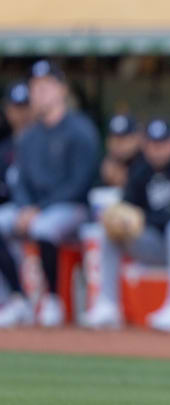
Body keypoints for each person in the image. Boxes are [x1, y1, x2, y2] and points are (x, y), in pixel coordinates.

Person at [81, 118, 170, 332]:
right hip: (161, 246)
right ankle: (107, 306)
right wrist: (121, 219)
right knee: (108, 232)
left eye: (162, 144)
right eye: (152, 144)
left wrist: (143, 219)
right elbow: (128, 206)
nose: (157, 150)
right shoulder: (141, 169)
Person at [0, 61, 100, 327]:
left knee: (44, 226)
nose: (40, 92)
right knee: (3, 220)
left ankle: (53, 301)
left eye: (46, 86)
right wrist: (23, 208)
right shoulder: (29, 137)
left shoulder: (80, 130)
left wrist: (38, 209)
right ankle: (15, 300)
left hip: (72, 209)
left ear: (62, 90)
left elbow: (79, 184)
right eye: (35, 87)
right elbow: (19, 182)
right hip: (34, 209)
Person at [0, 81, 34, 327]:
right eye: (16, 107)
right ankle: (13, 300)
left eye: (25, 107)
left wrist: (31, 208)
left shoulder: (44, 142)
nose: (21, 114)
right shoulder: (5, 148)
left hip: (39, 211)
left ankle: (18, 298)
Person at [100, 113, 143, 188]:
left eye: (124, 139)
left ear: (137, 137)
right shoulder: (106, 162)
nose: (118, 144)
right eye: (114, 139)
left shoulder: (148, 160)